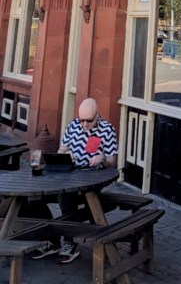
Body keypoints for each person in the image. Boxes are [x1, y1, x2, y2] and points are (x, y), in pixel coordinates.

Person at [31, 98, 118, 265]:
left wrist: (102, 158)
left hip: (91, 178)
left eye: (89, 120)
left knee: (66, 197)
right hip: (68, 174)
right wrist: (65, 154)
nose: (84, 124)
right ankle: (51, 239)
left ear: (97, 115)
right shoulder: (73, 126)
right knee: (34, 198)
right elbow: (61, 149)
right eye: (82, 120)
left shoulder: (107, 129)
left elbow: (112, 161)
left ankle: (70, 243)